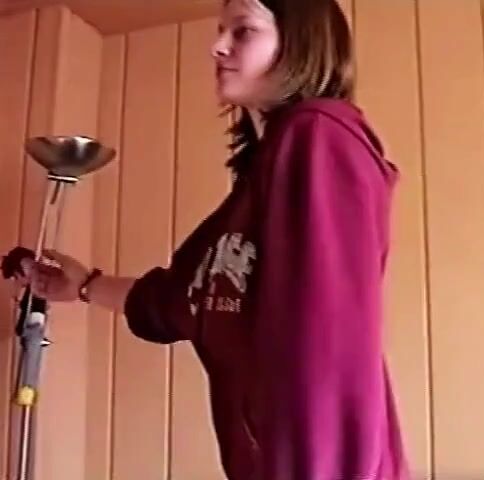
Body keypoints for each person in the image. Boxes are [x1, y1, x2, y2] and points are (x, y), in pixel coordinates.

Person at [4, 0, 408, 478]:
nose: (217, 46)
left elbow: (332, 341)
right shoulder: (253, 194)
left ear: (302, 42)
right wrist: (85, 285)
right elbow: (177, 300)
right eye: (221, 30)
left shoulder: (319, 136)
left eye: (243, 31)